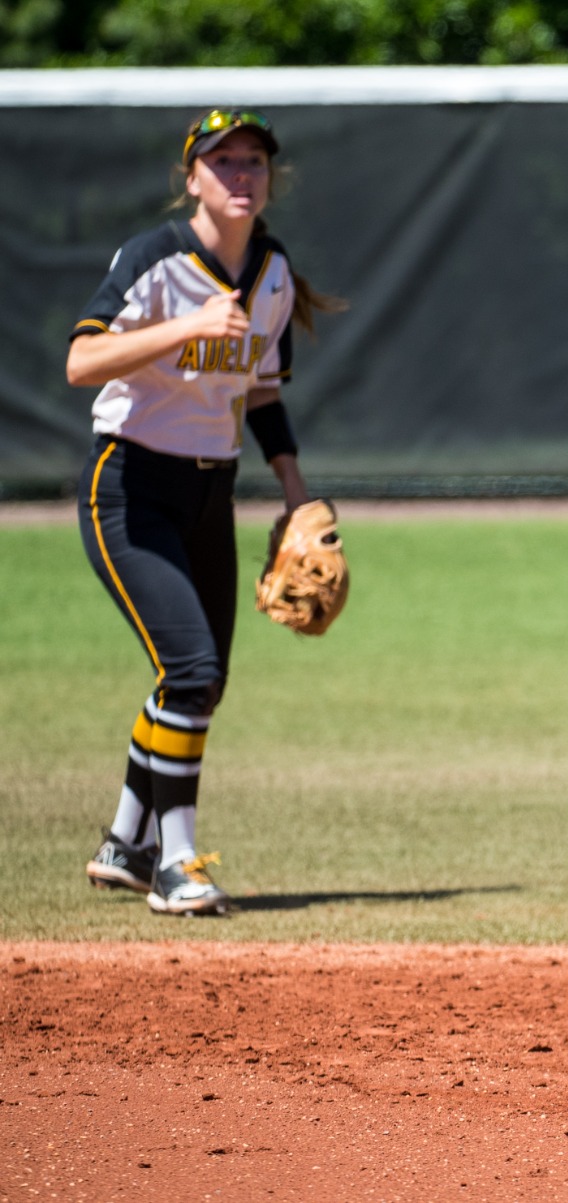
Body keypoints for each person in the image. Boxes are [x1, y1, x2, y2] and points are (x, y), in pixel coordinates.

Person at [68, 109, 341, 916]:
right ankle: (175, 862)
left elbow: (261, 391)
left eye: (254, 161)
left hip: (208, 494)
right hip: (128, 487)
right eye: (222, 162)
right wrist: (185, 325)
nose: (241, 176)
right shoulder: (155, 261)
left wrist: (295, 493)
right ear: (192, 178)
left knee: (199, 683)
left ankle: (125, 842)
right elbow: (82, 360)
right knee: (189, 670)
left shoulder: (273, 271)